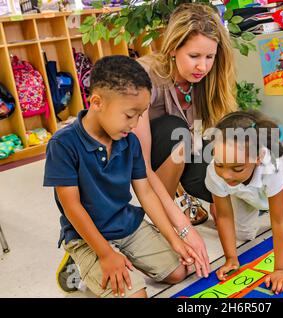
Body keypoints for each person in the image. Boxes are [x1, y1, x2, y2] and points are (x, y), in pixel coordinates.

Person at [44, 55, 205, 298]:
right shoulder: (63, 144)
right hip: (86, 236)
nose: (135, 124)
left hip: (125, 224)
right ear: (97, 102)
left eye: (140, 115)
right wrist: (106, 255)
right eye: (129, 115)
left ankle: (123, 255)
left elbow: (147, 193)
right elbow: (72, 207)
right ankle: (80, 260)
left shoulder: (129, 142)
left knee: (179, 271)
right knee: (136, 295)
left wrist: (175, 239)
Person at [135, 3, 236, 235]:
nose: (203, 66)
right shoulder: (145, 75)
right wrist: (178, 228)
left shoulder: (209, 78)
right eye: (194, 56)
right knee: (176, 131)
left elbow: (208, 136)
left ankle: (185, 195)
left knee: (224, 153)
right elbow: (142, 164)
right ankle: (162, 219)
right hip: (138, 156)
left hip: (184, 148)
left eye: (210, 56)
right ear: (172, 49)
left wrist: (218, 197)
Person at [204, 110, 283, 295]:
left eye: (236, 168)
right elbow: (224, 216)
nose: (226, 175)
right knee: (243, 234)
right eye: (220, 165)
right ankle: (254, 199)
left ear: (257, 158)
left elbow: (279, 220)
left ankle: (269, 199)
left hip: (275, 174)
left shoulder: (272, 166)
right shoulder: (215, 171)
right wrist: (231, 258)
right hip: (242, 186)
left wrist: (280, 270)